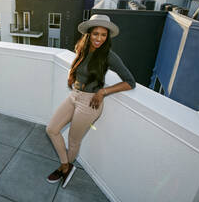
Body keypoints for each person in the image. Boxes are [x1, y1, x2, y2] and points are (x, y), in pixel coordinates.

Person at [46, 14, 136, 188]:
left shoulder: (109, 55)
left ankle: (65, 167)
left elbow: (130, 82)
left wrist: (103, 91)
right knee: (51, 129)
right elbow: (77, 66)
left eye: (103, 35)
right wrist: (72, 76)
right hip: (74, 96)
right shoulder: (83, 48)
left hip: (90, 103)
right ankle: (66, 165)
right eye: (96, 34)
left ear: (107, 37)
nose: (99, 38)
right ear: (89, 34)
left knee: (73, 141)